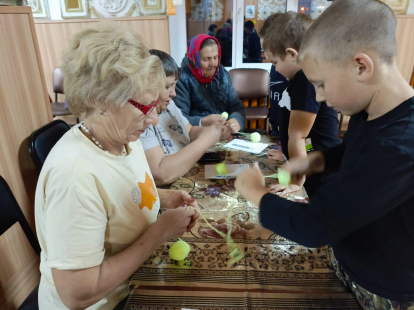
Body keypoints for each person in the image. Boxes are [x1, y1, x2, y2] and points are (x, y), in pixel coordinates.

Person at [235, 0, 414, 309]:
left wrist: (255, 192)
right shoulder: (371, 110)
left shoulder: (399, 145)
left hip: (383, 286)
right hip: (352, 255)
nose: (319, 96)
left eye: (321, 84)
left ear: (361, 66)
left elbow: (315, 226)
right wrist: (318, 160)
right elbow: (355, 151)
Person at [35, 24, 200, 310]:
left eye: (154, 106)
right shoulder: (74, 175)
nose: (152, 120)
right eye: (144, 106)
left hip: (133, 281)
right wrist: (159, 232)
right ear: (100, 99)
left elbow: (122, 190)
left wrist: (163, 198)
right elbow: (77, 294)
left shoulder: (122, 135)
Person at [262, 11, 341, 196]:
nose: (275, 69)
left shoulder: (305, 81)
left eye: (274, 62)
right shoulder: (299, 79)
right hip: (311, 161)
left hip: (320, 173)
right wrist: (288, 156)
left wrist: (296, 183)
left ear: (292, 54)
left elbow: (298, 136)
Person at [141, 50, 230, 185]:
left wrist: (213, 132)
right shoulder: (142, 119)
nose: (174, 93)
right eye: (167, 87)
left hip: (188, 174)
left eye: (174, 85)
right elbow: (160, 174)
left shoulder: (168, 105)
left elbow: (189, 131)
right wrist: (204, 141)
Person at [175, 35, 246, 133]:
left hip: (223, 134)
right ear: (194, 59)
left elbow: (236, 106)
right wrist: (202, 122)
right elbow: (178, 119)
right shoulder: (181, 79)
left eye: (215, 57)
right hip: (197, 136)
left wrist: (236, 120)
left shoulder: (223, 74)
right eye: (206, 59)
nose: (213, 64)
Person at [258, 13, 289, 137]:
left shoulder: (299, 77)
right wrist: (272, 118)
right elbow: (275, 93)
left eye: (267, 49)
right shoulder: (274, 67)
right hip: (277, 126)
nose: (266, 55)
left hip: (291, 131)